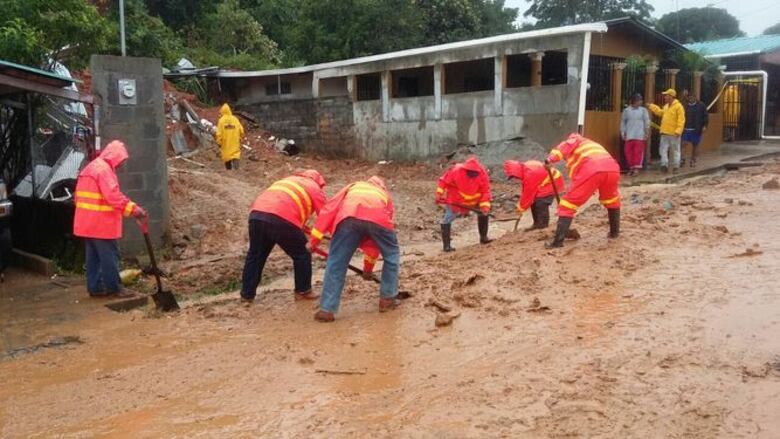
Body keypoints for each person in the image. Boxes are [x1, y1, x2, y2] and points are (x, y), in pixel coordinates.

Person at [308, 176, 400, 322]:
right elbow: (374, 245)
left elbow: (328, 210)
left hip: (348, 217)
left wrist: (313, 242)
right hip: (378, 218)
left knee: (336, 261)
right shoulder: (384, 195)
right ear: (382, 186)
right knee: (391, 256)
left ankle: (327, 309)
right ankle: (387, 300)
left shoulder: (352, 186)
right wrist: (368, 269)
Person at [240, 170, 327, 303]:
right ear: (319, 181)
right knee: (302, 253)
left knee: (255, 255)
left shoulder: (287, 180)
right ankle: (303, 291)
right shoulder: (314, 188)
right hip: (281, 219)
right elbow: (326, 214)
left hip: (257, 215)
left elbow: (284, 202)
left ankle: (247, 295)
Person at [73, 140, 147, 297]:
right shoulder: (104, 171)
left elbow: (78, 197)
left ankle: (95, 288)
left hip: (86, 224)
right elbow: (113, 197)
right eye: (121, 160)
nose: (121, 164)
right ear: (115, 156)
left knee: (93, 258)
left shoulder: (90, 167)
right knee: (109, 257)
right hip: (102, 225)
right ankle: (115, 288)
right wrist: (135, 210)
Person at [544, 133, 621, 248]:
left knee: (567, 205)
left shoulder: (575, 140)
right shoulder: (592, 145)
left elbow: (561, 149)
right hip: (613, 168)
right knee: (612, 200)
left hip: (593, 168)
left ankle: (557, 242)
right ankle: (614, 233)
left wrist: (550, 159)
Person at [435, 156, 493, 252]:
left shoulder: (482, 174)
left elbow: (485, 191)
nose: (472, 174)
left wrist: (485, 206)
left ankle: (484, 237)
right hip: (456, 199)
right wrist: (438, 193)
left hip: (475, 200)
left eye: (474, 172)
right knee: (448, 218)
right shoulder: (456, 171)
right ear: (465, 169)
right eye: (470, 172)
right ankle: (446, 246)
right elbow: (443, 181)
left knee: (483, 213)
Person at [503, 159, 564, 230]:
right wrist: (522, 205)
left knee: (541, 202)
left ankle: (542, 226)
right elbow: (526, 190)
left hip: (553, 182)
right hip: (544, 181)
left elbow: (528, 193)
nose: (515, 178)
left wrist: (521, 207)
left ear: (516, 172)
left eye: (514, 176)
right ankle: (537, 224)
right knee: (534, 201)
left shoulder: (530, 174)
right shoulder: (525, 168)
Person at [647, 89, 685, 173]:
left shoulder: (678, 107)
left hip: (674, 133)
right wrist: (652, 106)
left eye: (666, 95)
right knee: (663, 150)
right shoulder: (666, 106)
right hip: (664, 132)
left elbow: (681, 120)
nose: (665, 97)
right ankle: (664, 165)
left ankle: (676, 166)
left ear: (671, 96)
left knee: (675, 150)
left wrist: (678, 131)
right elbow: (660, 113)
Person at [620, 93, 651, 176]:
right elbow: (623, 122)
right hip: (629, 135)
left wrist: (646, 132)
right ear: (634, 101)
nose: (640, 102)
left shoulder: (643, 111)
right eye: (639, 100)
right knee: (628, 152)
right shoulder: (626, 111)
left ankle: (636, 169)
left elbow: (647, 122)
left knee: (638, 152)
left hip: (639, 135)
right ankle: (631, 168)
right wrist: (623, 132)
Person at [681, 90, 709, 168]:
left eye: (692, 97)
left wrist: (704, 126)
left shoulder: (701, 105)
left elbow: (705, 117)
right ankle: (682, 159)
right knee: (683, 144)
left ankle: (693, 160)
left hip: (696, 129)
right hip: (686, 129)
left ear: (695, 97)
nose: (691, 98)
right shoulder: (685, 105)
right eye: (689, 97)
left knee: (695, 146)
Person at [215, 103, 245, 170]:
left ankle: (229, 171)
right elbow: (241, 130)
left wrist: (219, 142)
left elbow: (218, 133)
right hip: (235, 142)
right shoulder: (235, 119)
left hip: (226, 144)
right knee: (235, 155)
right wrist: (241, 137)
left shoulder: (221, 121)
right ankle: (236, 170)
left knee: (227, 156)